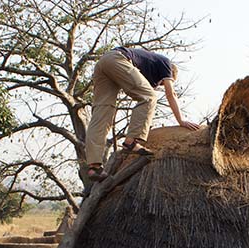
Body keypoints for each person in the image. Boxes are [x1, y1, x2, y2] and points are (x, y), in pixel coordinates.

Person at [86, 46, 200, 181]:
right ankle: (132, 141)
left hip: (104, 62)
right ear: (169, 75)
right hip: (118, 58)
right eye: (164, 83)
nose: (162, 85)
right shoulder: (166, 64)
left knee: (102, 113)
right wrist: (181, 120)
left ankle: (94, 167)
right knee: (150, 97)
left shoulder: (147, 67)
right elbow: (171, 94)